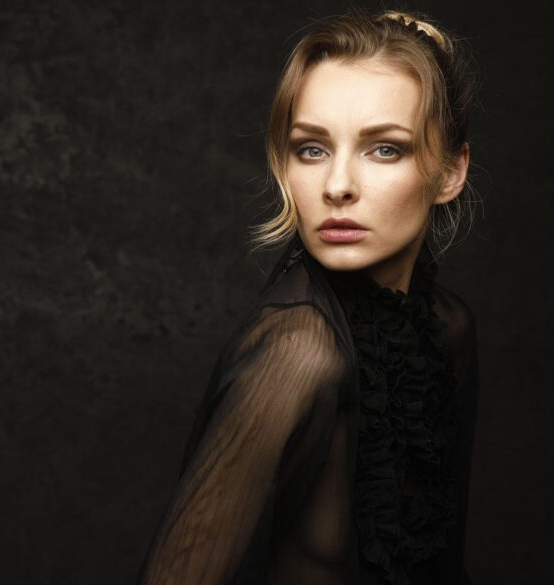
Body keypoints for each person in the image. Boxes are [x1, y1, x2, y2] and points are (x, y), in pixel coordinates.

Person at [138, 8, 480, 585]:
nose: (337, 186)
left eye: (384, 149)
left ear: (450, 172)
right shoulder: (297, 350)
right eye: (312, 149)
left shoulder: (448, 327)